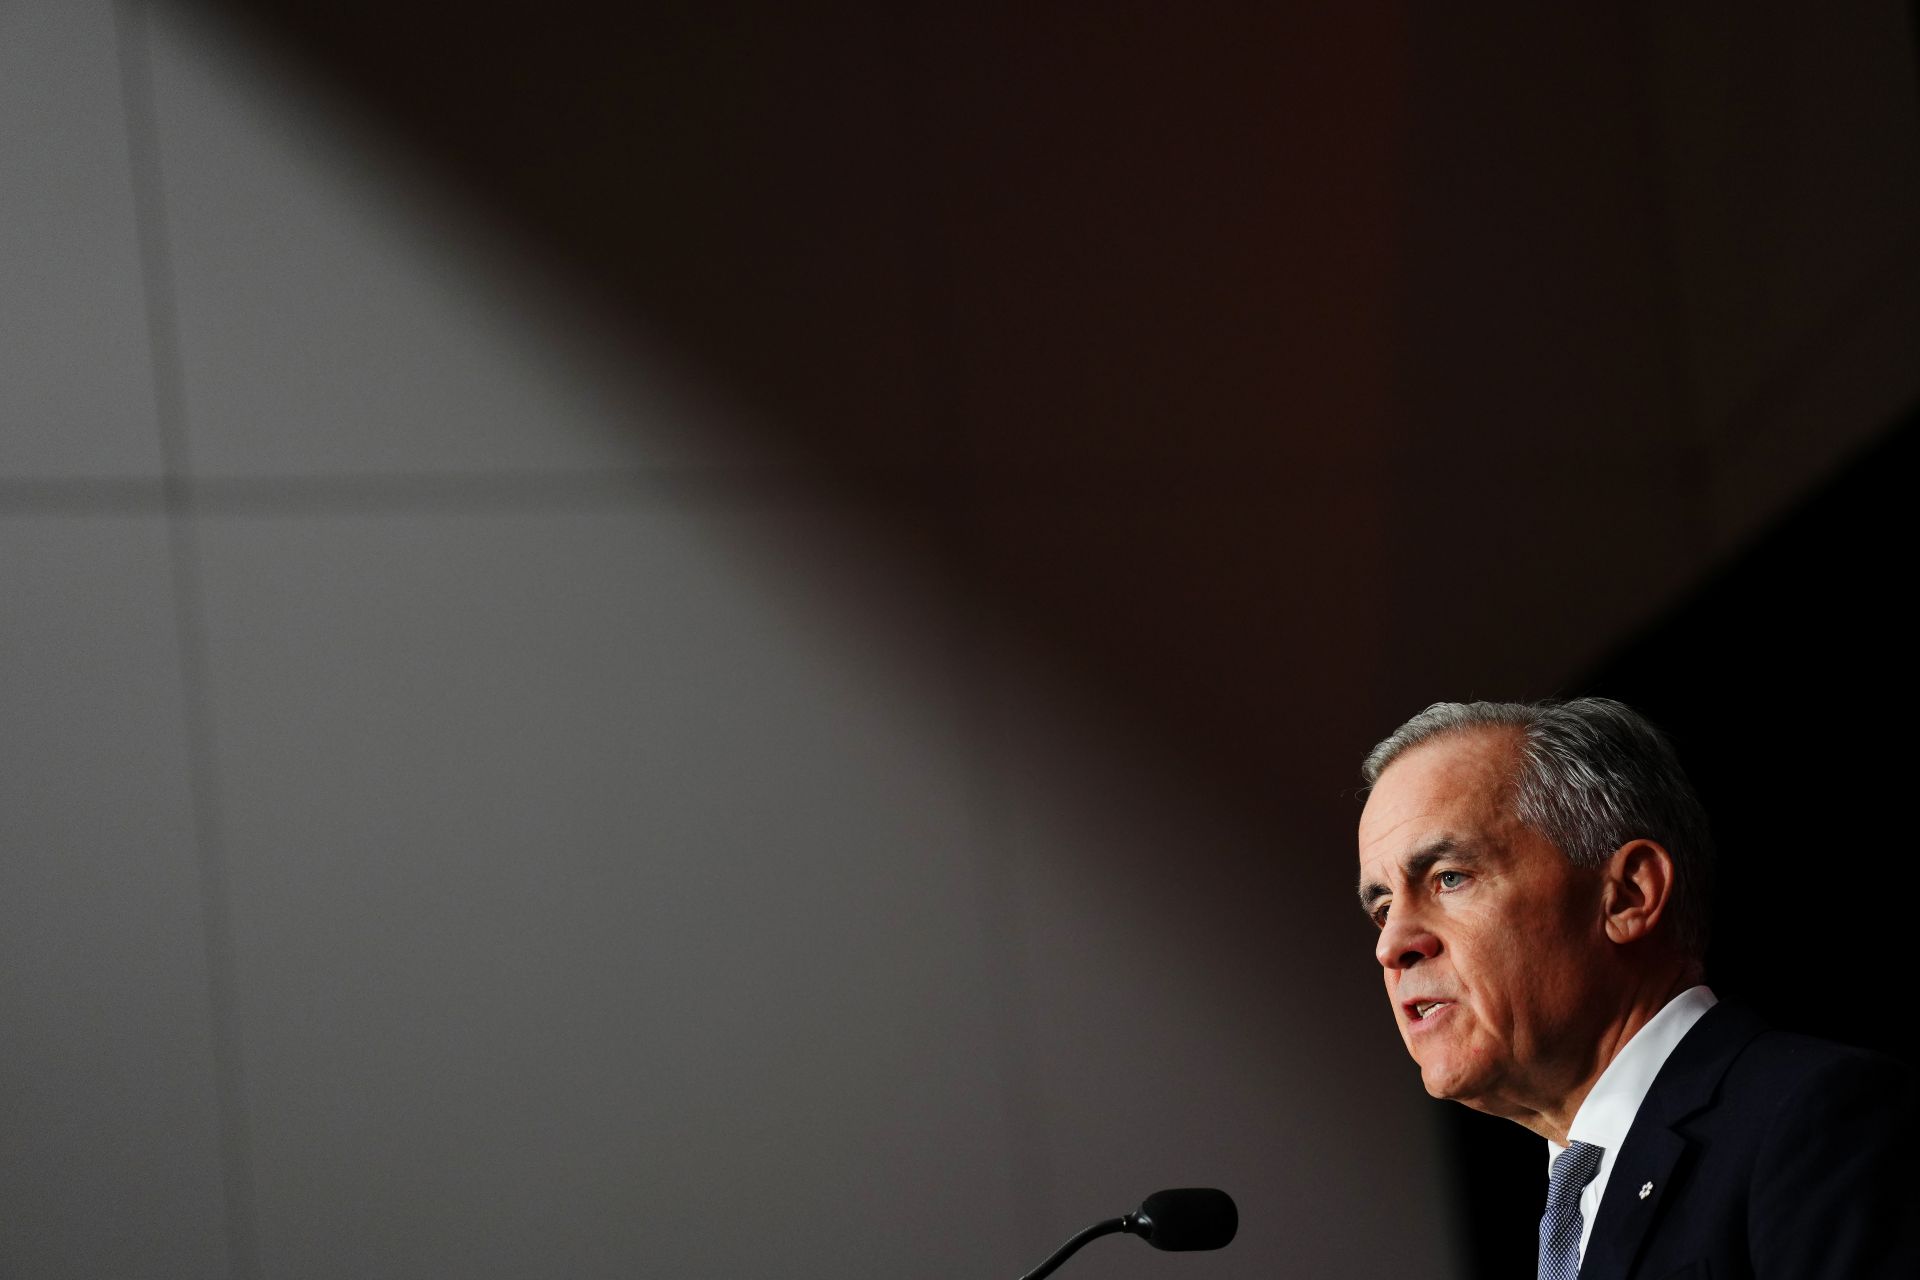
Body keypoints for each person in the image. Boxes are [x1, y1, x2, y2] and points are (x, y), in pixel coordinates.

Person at [1354, 698, 1917, 1280]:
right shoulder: (1576, 1207)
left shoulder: (1812, 1119)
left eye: (1449, 878)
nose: (1392, 944)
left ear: (1627, 895)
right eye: (1384, 907)